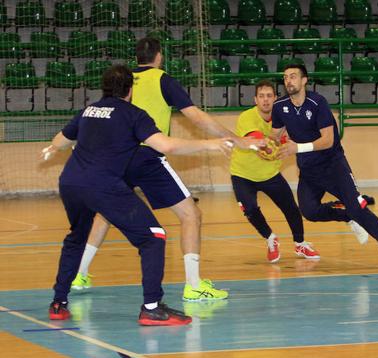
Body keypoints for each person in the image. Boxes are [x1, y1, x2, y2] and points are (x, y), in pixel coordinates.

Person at [70, 38, 259, 301]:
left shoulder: (122, 81)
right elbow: (195, 116)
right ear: (159, 56)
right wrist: (235, 139)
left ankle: (79, 274)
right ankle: (193, 286)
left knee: (105, 214)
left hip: (119, 156)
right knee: (191, 215)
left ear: (137, 57)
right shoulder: (162, 79)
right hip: (147, 155)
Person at [45, 65, 233, 325]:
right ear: (130, 90)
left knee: (76, 238)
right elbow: (166, 145)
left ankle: (58, 303)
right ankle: (152, 307)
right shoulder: (133, 114)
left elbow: (60, 141)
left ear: (105, 87)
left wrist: (51, 150)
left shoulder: (89, 110)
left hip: (70, 183)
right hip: (103, 185)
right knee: (154, 238)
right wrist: (211, 144)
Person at [273, 64, 378, 269]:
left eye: (293, 76)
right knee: (309, 211)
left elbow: (328, 140)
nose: (288, 80)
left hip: (333, 166)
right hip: (308, 170)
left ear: (304, 80)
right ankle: (347, 217)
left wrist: (297, 147)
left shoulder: (317, 103)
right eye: (285, 77)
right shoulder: (280, 105)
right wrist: (264, 146)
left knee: (358, 209)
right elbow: (275, 135)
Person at [231, 79, 320, 263]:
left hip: (270, 174)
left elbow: (296, 139)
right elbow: (255, 138)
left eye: (269, 96)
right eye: (261, 96)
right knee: (249, 209)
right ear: (255, 99)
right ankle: (270, 238)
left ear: (275, 98)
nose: (265, 100)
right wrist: (270, 144)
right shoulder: (246, 117)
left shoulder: (284, 118)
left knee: (291, 209)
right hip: (242, 173)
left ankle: (300, 243)